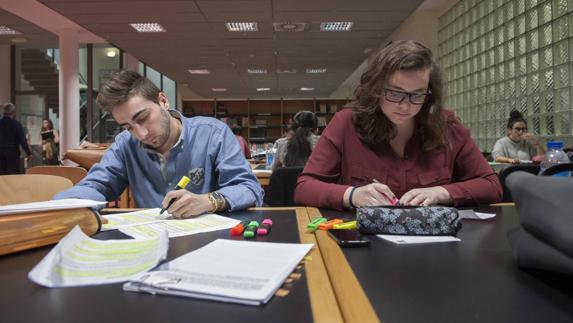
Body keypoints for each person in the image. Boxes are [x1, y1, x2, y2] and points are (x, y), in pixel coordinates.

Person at [294, 40, 502, 210]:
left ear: (428, 94)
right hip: (367, 244)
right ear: (376, 88)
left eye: (417, 94)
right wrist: (352, 195)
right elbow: (304, 188)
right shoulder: (346, 123)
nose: (404, 106)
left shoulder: (448, 126)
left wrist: (442, 192)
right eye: (394, 92)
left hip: (435, 244)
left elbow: (491, 186)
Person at [55, 70, 263, 217]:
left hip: (211, 243)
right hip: (151, 243)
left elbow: (249, 189)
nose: (141, 134)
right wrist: (58, 206)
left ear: (163, 101)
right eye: (128, 127)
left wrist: (208, 201)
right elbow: (97, 185)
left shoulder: (212, 133)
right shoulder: (125, 144)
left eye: (143, 118)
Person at [0, 103, 32, 175]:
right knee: (13, 175)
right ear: (13, 112)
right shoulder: (16, 124)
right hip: (12, 153)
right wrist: (28, 152)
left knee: (1, 175)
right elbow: (22, 140)